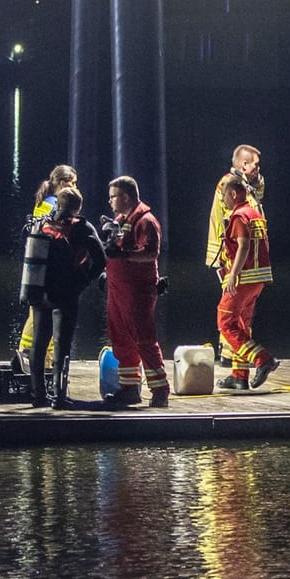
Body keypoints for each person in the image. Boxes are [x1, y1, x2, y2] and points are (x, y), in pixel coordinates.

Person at [28, 187, 106, 409]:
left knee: (39, 343)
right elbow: (100, 260)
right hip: (66, 292)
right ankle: (59, 397)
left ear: (57, 204)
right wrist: (84, 281)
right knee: (62, 345)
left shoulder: (41, 224)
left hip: (40, 291)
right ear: (78, 207)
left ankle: (38, 395)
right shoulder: (82, 228)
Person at [103, 175, 170, 408]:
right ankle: (129, 388)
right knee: (121, 338)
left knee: (143, 338)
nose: (110, 201)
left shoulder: (146, 221)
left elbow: (151, 253)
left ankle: (160, 389)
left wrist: (123, 256)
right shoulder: (121, 220)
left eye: (113, 196)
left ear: (126, 196)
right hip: (118, 289)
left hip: (137, 290)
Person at [215, 177, 280, 390]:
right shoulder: (256, 215)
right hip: (257, 279)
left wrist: (233, 274)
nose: (223, 201)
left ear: (233, 194)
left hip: (243, 279)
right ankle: (239, 375)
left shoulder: (239, 216)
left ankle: (263, 359)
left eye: (224, 196)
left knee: (225, 321)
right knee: (242, 324)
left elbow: (242, 246)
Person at [15, 164, 79, 371]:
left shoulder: (42, 202)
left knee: (36, 312)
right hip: (49, 265)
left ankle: (26, 351)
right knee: (46, 316)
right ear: (61, 184)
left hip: (36, 263)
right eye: (72, 183)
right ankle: (45, 360)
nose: (75, 187)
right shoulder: (54, 205)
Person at [206, 144, 264, 360]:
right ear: (244, 164)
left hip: (244, 257)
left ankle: (238, 358)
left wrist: (256, 182)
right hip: (230, 255)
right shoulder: (229, 185)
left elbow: (258, 195)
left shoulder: (245, 184)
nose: (259, 169)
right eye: (256, 165)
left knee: (240, 310)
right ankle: (233, 353)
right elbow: (242, 213)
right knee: (231, 310)